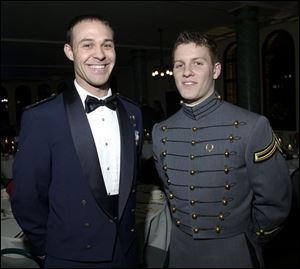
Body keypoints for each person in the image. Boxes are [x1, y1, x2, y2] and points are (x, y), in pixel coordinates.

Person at [11, 14, 142, 268]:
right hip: (70, 257)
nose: (100, 54)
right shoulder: (42, 117)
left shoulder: (133, 112)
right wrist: (46, 249)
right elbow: (26, 197)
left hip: (126, 252)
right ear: (69, 51)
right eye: (87, 44)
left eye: (107, 44)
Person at [151, 31, 292, 268]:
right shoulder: (161, 131)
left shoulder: (252, 126)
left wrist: (247, 239)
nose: (187, 72)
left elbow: (275, 203)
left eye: (198, 63)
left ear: (216, 70)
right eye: (179, 65)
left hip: (233, 254)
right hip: (178, 254)